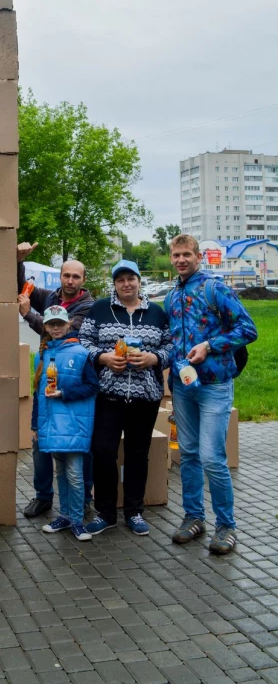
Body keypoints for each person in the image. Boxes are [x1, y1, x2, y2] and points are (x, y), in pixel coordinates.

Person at [165, 235, 257, 555]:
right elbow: (171, 340)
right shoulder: (171, 296)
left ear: (199, 256)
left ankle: (226, 525)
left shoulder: (215, 288)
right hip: (183, 387)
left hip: (215, 385)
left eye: (187, 254)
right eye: (176, 255)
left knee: (212, 458)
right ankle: (193, 517)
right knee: (187, 454)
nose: (181, 260)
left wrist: (209, 345)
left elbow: (248, 329)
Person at [79, 260, 172, 536]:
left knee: (137, 454)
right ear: (114, 283)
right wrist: (104, 357)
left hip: (146, 397)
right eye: (120, 280)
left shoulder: (157, 313)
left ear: (139, 281)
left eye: (131, 278)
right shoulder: (100, 309)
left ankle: (134, 512)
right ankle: (106, 513)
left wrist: (154, 358)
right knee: (103, 452)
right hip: (108, 395)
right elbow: (83, 341)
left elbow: (171, 346)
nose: (126, 284)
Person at [16, 242, 95, 519]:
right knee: (40, 439)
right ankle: (43, 496)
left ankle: (84, 498)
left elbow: (60, 330)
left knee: (76, 443)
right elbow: (21, 287)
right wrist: (18, 261)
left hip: (72, 379)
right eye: (66, 275)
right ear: (60, 276)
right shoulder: (51, 297)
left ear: (83, 280)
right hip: (45, 374)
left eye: (76, 276)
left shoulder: (88, 306)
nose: (70, 280)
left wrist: (28, 314)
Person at [33, 307, 99, 541]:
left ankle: (78, 520)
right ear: (46, 327)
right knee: (60, 472)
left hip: (73, 425)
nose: (56, 328)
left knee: (74, 474)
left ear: (69, 323)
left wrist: (64, 392)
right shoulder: (43, 354)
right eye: (51, 324)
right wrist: (35, 426)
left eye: (60, 323)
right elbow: (37, 395)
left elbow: (93, 386)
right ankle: (66, 515)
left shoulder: (81, 353)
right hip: (52, 424)